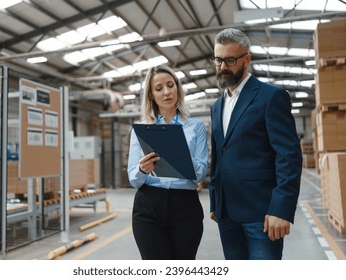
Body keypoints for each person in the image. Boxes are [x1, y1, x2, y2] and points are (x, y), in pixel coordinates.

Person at [208, 28, 302, 260]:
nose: (222, 67)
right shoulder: (217, 106)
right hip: (227, 213)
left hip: (261, 214)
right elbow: (218, 155)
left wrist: (281, 209)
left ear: (247, 59)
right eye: (218, 60)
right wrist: (214, 200)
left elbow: (288, 156)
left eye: (229, 60)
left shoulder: (271, 97)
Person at [127, 65, 208, 260]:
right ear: (151, 95)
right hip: (149, 205)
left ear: (178, 89)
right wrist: (142, 169)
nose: (166, 92)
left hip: (185, 206)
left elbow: (201, 173)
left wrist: (180, 157)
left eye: (171, 85)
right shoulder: (141, 129)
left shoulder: (196, 127)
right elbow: (133, 179)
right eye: (159, 88)